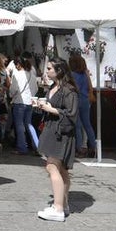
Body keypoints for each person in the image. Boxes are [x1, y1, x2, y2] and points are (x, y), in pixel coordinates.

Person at [34, 58, 78, 222]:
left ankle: (58, 208)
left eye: (50, 68)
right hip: (52, 129)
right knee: (61, 170)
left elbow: (71, 114)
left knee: (52, 167)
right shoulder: (54, 87)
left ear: (59, 70)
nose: (47, 71)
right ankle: (63, 204)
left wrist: (50, 109)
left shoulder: (68, 90)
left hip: (62, 132)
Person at [7, 53, 39, 154]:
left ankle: (22, 147)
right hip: (30, 102)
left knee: (19, 125)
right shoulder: (32, 75)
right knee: (29, 125)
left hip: (19, 102)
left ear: (18, 65)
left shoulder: (17, 74)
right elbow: (36, 88)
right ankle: (37, 146)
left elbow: (13, 90)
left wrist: (11, 94)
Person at [67, 53, 97, 157]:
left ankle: (79, 148)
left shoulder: (72, 75)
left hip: (76, 100)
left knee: (78, 126)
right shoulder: (85, 74)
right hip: (85, 100)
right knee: (87, 124)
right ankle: (93, 146)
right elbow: (90, 87)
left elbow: (74, 88)